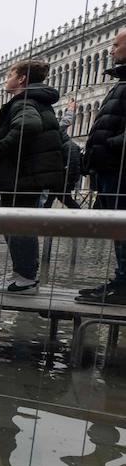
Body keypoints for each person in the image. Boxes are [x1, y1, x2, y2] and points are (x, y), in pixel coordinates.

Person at [0, 59, 66, 295]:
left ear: (21, 79)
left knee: (17, 224)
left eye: (10, 74)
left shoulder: (24, 101)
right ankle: (22, 274)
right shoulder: (37, 100)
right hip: (29, 173)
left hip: (23, 174)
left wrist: (0, 149)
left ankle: (25, 279)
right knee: (20, 223)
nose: (6, 79)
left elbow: (28, 126)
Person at [79, 27, 126, 304]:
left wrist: (110, 145)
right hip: (112, 168)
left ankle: (123, 288)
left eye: (116, 44)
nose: (111, 50)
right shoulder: (121, 80)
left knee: (123, 227)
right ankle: (121, 282)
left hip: (121, 167)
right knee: (118, 230)